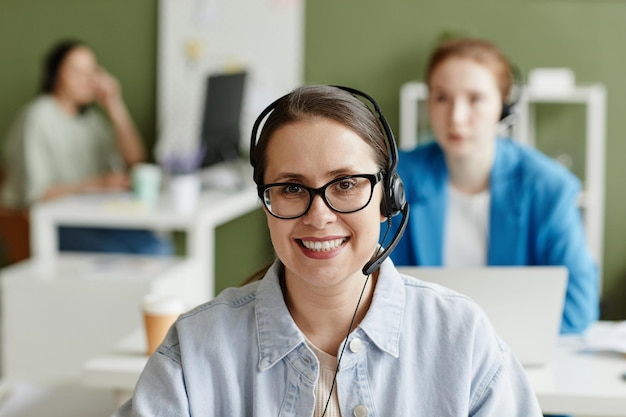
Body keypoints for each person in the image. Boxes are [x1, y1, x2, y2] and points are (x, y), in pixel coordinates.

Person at [114, 85, 541, 416]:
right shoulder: (194, 351)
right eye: (292, 188)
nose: (319, 216)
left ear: (388, 197)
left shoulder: (461, 338)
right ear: (266, 203)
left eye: (346, 184)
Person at [390, 37, 598, 335]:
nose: (456, 117)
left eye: (475, 99)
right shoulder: (397, 181)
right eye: (442, 97)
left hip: (512, 357)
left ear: (504, 106)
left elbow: (578, 307)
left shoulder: (548, 187)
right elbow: (371, 291)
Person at [0, 39, 171, 255]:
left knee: (157, 246)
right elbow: (36, 196)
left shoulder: (90, 120)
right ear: (55, 75)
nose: (87, 79)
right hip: (46, 224)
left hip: (88, 217)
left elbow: (134, 159)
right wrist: (97, 183)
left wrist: (114, 104)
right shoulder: (38, 117)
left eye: (92, 72)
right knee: (137, 256)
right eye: (77, 71)